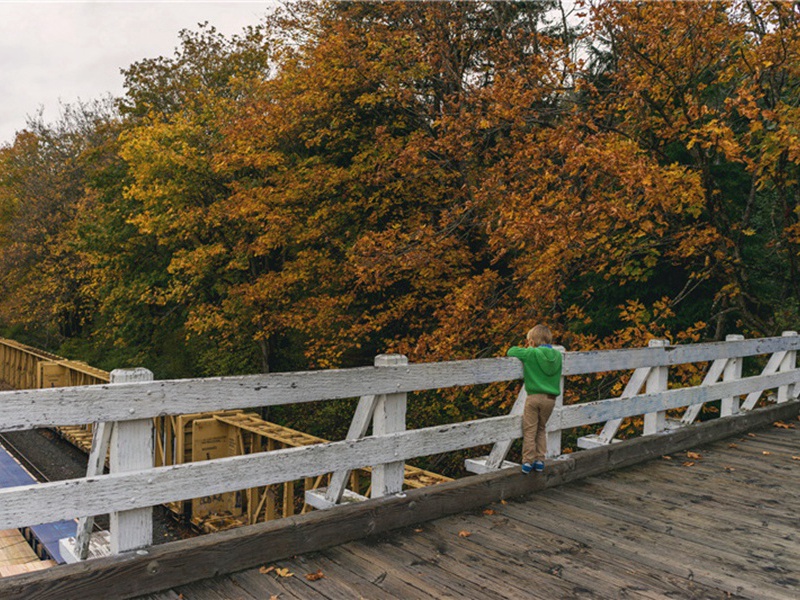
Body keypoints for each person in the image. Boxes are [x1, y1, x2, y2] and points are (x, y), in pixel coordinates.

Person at [506, 324, 562, 474]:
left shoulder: (530, 354)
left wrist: (530, 348)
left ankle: (527, 462)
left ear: (532, 340)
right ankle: (540, 461)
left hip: (533, 398)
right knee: (541, 429)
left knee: (530, 430)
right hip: (550, 399)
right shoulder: (558, 355)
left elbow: (511, 351)